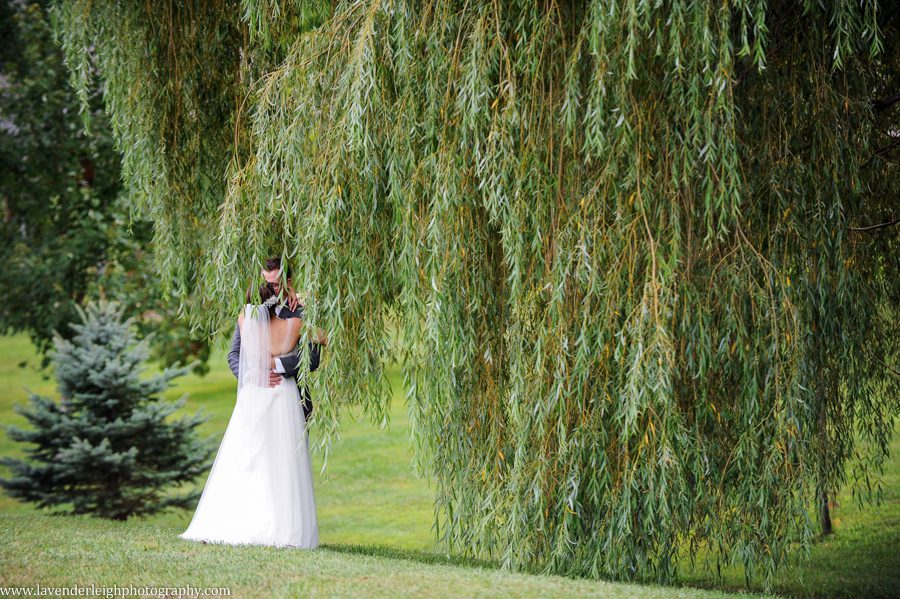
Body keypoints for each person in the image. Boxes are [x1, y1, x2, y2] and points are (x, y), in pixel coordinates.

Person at [179, 282, 318, 548]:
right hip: (272, 391)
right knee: (260, 457)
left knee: (266, 457)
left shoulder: (248, 316)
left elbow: (312, 357)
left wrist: (270, 365)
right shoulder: (297, 320)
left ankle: (257, 523)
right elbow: (235, 355)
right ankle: (274, 526)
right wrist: (254, 372)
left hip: (265, 392)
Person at [227, 257, 327, 420]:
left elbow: (312, 359)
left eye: (274, 285)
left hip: (292, 402)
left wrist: (274, 364)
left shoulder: (304, 312)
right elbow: (234, 354)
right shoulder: (252, 311)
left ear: (288, 282)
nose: (268, 290)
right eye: (265, 283)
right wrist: (251, 376)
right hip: (255, 399)